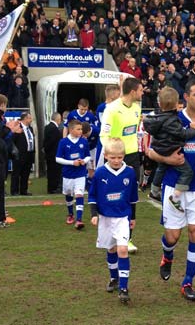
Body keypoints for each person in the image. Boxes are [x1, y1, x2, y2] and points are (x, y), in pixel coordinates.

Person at [148, 80, 195, 301]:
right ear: (186, 98)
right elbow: (151, 151)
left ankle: (188, 282)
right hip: (173, 185)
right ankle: (167, 255)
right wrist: (166, 158)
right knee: (172, 236)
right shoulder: (172, 119)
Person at [88, 138, 138, 303]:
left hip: (122, 218)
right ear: (106, 156)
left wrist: (133, 217)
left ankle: (124, 288)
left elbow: (132, 197)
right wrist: (94, 214)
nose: (116, 161)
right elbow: (93, 195)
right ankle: (113, 278)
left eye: (119, 157)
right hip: (105, 218)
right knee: (110, 250)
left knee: (122, 251)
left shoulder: (130, 173)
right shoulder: (100, 173)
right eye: (112, 157)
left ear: (123, 155)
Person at [100, 77, 143, 254]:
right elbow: (104, 135)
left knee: (130, 196)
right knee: (111, 196)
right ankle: (109, 235)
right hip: (114, 158)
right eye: (141, 90)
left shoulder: (136, 108)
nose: (142, 93)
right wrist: (111, 154)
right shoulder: (112, 109)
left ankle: (127, 238)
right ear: (133, 91)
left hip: (132, 156)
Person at [144, 87, 195, 211]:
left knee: (161, 168)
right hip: (170, 150)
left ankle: (154, 190)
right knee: (187, 172)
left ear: (159, 103)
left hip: (158, 148)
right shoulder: (172, 120)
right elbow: (182, 134)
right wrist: (193, 129)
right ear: (175, 104)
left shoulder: (155, 118)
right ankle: (176, 197)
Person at [56, 119, 91, 229]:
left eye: (81, 129)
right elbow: (57, 159)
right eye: (78, 129)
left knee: (79, 194)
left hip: (80, 174)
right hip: (68, 174)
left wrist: (84, 161)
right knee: (68, 195)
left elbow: (88, 156)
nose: (81, 131)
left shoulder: (84, 141)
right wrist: (72, 162)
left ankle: (79, 220)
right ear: (71, 130)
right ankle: (70, 214)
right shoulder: (63, 142)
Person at [11, 112, 35, 196]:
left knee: (26, 173)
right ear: (25, 119)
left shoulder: (30, 129)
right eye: (29, 118)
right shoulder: (17, 127)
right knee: (16, 173)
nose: (31, 120)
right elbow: (12, 140)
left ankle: (24, 190)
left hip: (29, 154)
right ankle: (14, 190)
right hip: (19, 154)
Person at [43, 112, 62, 194]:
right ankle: (53, 188)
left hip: (50, 154)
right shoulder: (53, 129)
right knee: (54, 172)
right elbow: (51, 142)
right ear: (57, 119)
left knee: (51, 171)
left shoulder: (48, 127)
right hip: (53, 154)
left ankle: (52, 188)